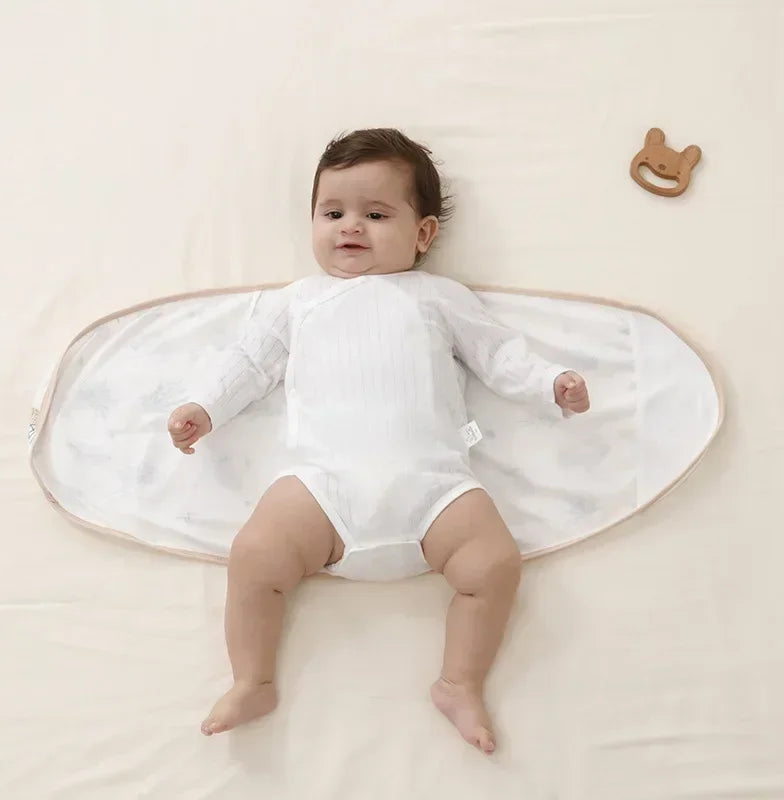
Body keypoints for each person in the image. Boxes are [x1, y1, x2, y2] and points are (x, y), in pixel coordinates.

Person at [168, 128, 590, 754]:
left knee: (496, 564)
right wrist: (205, 407)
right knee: (254, 557)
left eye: (376, 214)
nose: (350, 227)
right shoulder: (299, 301)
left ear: (423, 234)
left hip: (436, 490)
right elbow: (250, 362)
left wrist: (550, 384)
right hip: (321, 488)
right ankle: (252, 679)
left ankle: (459, 682)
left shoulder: (439, 297)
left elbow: (499, 355)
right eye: (332, 212)